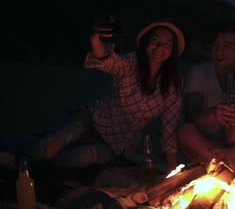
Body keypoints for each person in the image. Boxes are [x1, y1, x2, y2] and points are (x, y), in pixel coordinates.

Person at [32, 18, 185, 171]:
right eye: (155, 40)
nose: (160, 47)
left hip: (118, 144)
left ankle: (41, 162)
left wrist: (173, 171)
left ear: (172, 51)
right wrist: (95, 38)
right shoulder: (131, 63)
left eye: (167, 44)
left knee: (79, 158)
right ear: (146, 43)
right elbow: (108, 61)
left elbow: (169, 128)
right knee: (47, 150)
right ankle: (23, 151)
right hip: (92, 119)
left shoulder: (172, 84)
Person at [177, 20, 235, 167]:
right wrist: (214, 113)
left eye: (226, 46)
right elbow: (191, 118)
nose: (219, 52)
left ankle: (221, 161)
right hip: (205, 145)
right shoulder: (199, 73)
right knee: (185, 131)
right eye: (216, 46)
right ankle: (222, 161)